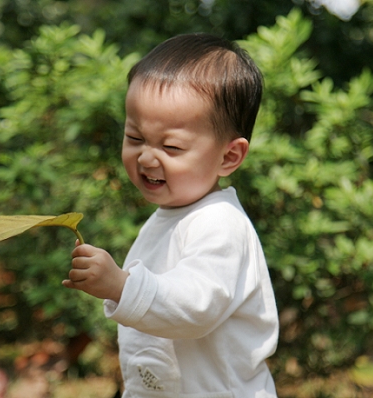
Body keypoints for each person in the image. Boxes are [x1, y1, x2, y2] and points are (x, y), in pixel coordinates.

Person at [62, 33, 279, 397]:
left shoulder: (220, 224)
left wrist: (120, 286)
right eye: (134, 137)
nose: (147, 158)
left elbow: (195, 305)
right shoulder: (172, 217)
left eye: (171, 146)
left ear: (229, 157)